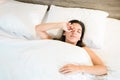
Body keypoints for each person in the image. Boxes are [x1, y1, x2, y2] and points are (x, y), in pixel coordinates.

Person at [35, 20, 107, 76]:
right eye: (71, 29)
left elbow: (103, 69)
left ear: (80, 38)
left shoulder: (84, 49)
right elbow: (38, 29)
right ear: (64, 32)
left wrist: (78, 68)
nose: (74, 33)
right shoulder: (54, 42)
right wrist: (60, 25)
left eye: (78, 31)